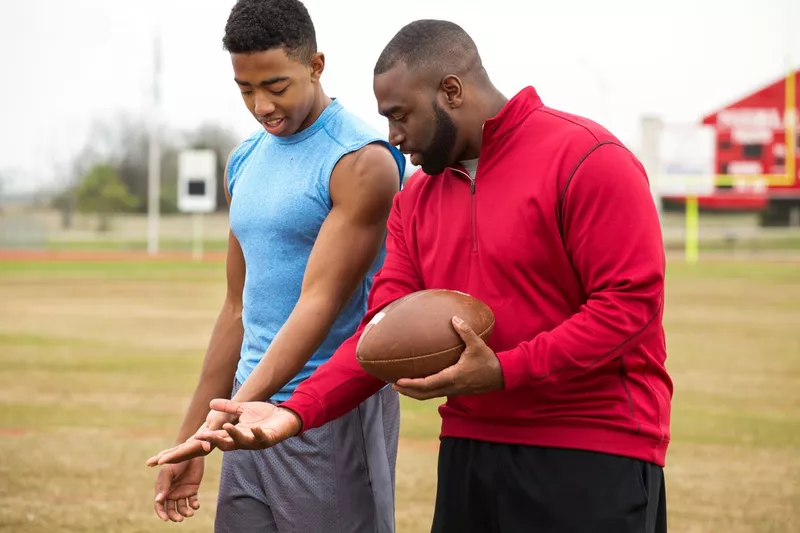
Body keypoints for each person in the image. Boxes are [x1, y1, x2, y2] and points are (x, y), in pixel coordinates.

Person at [163, 19, 673, 533]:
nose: (393, 136)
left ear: (450, 91)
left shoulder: (589, 158)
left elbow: (628, 306)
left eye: (400, 116)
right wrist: (295, 413)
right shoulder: (415, 200)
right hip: (470, 449)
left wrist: (505, 370)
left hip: (594, 446)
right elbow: (378, 335)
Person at [145, 1, 406, 532]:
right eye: (245, 88)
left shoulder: (361, 161)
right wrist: (196, 433)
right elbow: (237, 310)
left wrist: (225, 416)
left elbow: (319, 302)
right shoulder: (244, 159)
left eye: (277, 86)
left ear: (316, 65)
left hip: (325, 410)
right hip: (246, 410)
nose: (261, 104)